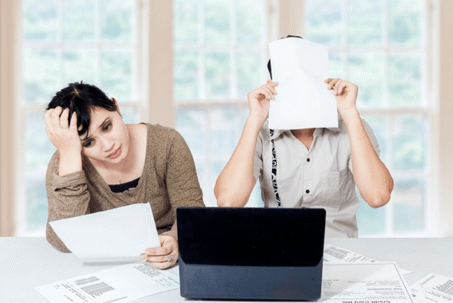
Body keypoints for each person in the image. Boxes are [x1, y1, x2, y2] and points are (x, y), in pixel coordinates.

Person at [44, 82, 204, 269]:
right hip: (104, 266)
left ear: (116, 107)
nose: (107, 145)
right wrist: (70, 155)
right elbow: (63, 242)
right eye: (88, 143)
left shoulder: (167, 143)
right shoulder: (66, 161)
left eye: (107, 126)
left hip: (166, 261)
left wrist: (175, 239)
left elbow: (193, 214)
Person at [214, 73, 394, 237]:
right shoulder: (261, 133)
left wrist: (350, 113)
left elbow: (377, 196)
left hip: (338, 247)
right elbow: (229, 201)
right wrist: (255, 119)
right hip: (278, 249)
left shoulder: (352, 128)